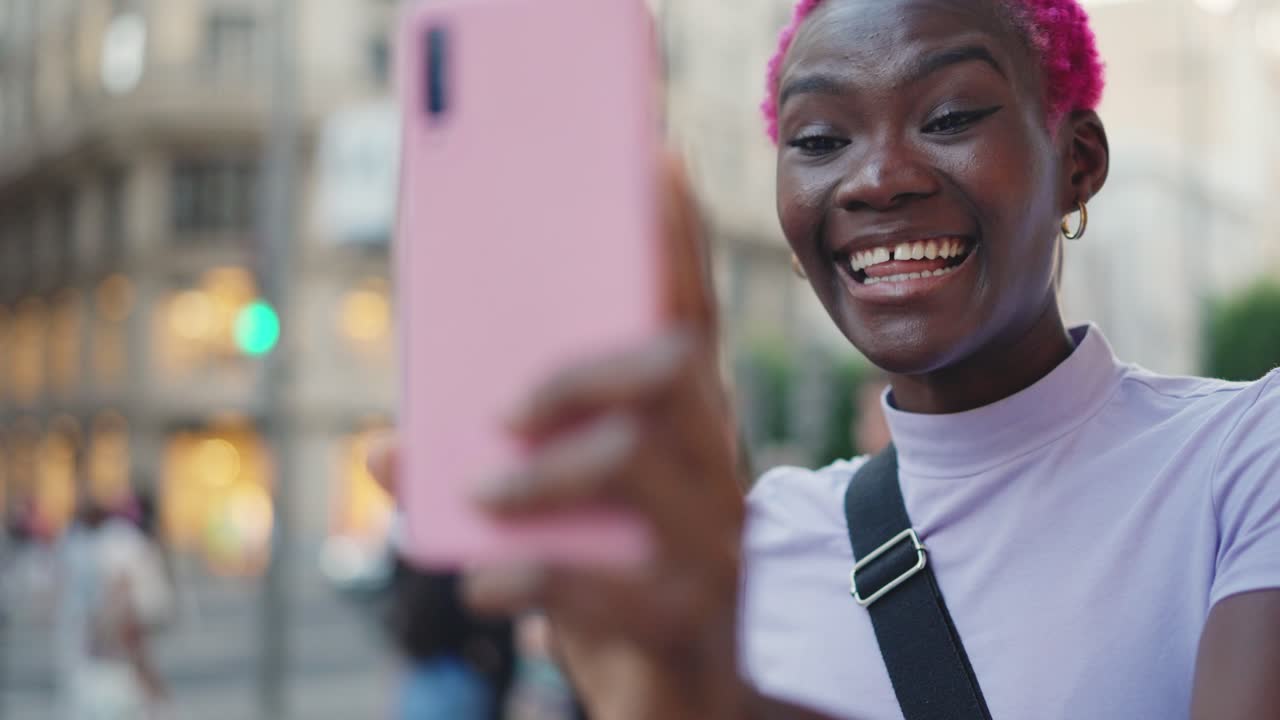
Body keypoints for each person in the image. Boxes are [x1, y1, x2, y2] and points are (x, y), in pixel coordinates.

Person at [374, 1, 1280, 718]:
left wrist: (723, 702)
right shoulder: (738, 547)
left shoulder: (1245, 459)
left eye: (951, 115)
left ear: (1077, 160)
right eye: (818, 140)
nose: (877, 176)